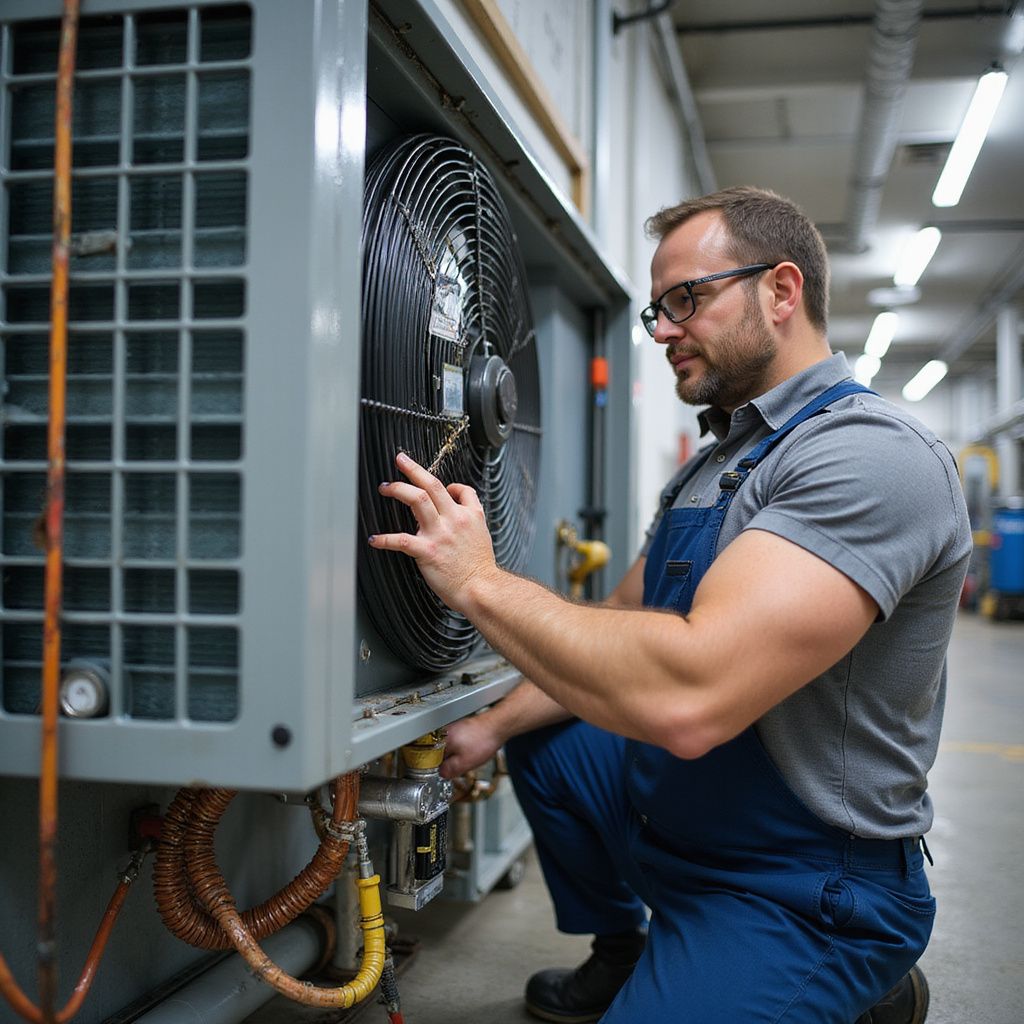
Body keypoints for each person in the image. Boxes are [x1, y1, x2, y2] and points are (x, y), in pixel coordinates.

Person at [369, 186, 971, 1024]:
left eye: (687, 299)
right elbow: (621, 622)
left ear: (782, 291)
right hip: (682, 823)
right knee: (549, 739)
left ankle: (852, 982)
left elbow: (689, 699)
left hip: (802, 879)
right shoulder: (716, 465)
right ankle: (626, 950)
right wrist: (493, 727)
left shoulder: (868, 458)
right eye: (657, 310)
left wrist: (477, 581)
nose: (662, 332)